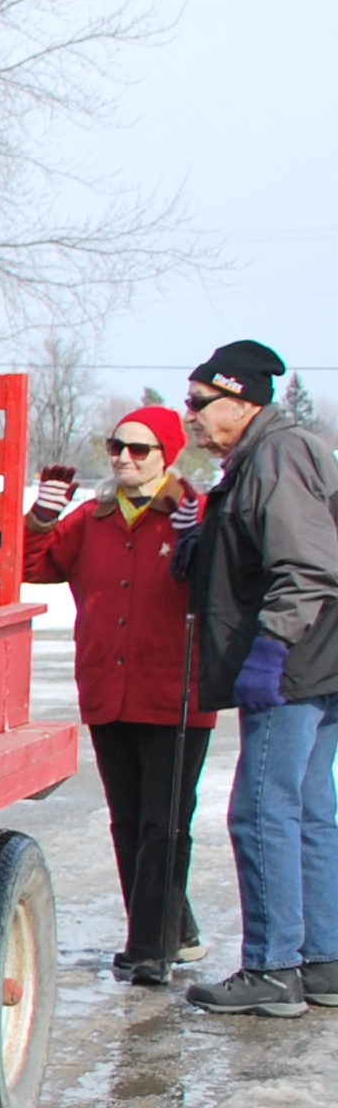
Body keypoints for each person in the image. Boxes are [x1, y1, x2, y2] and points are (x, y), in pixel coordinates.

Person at [174, 340, 338, 1018]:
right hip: (313, 658)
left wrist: (271, 649)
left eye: (200, 403)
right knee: (305, 809)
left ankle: (272, 969)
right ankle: (323, 962)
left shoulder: (279, 453)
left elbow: (305, 564)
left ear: (243, 402)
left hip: (293, 662)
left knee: (262, 812)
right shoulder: (258, 458)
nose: (190, 416)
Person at [26, 407, 214, 984]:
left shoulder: (196, 514)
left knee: (166, 822)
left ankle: (150, 949)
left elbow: (227, 584)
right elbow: (32, 566)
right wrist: (40, 518)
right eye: (117, 447)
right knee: (128, 821)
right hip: (109, 688)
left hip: (173, 694)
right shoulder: (92, 519)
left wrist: (200, 545)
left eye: (139, 450)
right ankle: (173, 928)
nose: (124, 459)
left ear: (168, 456)